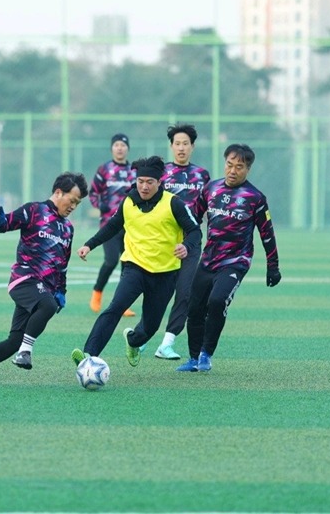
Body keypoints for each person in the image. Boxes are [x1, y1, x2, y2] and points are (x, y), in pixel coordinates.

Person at [0, 172, 88, 387]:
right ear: (58, 192)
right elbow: (7, 223)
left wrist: (61, 291)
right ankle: (25, 352)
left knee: (14, 340)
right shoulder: (35, 210)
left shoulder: (68, 228)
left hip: (42, 289)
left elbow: (63, 265)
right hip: (24, 279)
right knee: (47, 305)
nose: (74, 206)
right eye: (72, 200)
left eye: (78, 203)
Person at [71, 156, 200, 368]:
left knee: (149, 327)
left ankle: (133, 340)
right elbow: (111, 227)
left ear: (159, 182)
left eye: (150, 182)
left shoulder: (173, 203)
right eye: (141, 181)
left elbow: (194, 230)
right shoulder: (128, 202)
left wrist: (186, 245)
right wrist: (89, 245)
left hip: (165, 274)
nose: (144, 186)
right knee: (115, 308)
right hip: (134, 267)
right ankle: (88, 355)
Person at [177, 143, 281, 373]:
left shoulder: (255, 198)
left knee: (216, 301)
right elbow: (193, 217)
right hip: (207, 260)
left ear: (248, 169)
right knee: (194, 308)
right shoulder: (211, 189)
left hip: (235, 262)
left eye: (239, 167)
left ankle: (206, 354)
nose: (233, 170)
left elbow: (267, 233)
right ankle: (193, 358)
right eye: (229, 164)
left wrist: (273, 267)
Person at [152, 123, 211, 360]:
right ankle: (143, 335)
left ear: (193, 147)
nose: (181, 148)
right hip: (163, 240)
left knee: (185, 292)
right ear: (171, 146)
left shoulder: (202, 175)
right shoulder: (161, 173)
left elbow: (207, 206)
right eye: (177, 144)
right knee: (158, 293)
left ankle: (167, 343)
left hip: (191, 241)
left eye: (185, 143)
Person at [87, 133, 136, 317]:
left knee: (128, 263)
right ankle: (97, 293)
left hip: (130, 225)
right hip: (109, 224)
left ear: (127, 148)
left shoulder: (134, 170)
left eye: (123, 145)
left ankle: (123, 304)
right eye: (116, 145)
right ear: (112, 148)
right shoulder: (104, 169)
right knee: (111, 260)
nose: (120, 148)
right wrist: (101, 205)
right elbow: (93, 193)